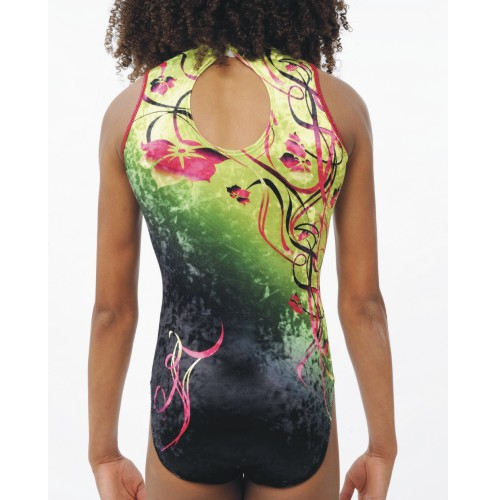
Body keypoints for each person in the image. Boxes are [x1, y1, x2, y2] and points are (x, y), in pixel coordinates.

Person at [88, 1, 397, 499]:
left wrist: (103, 452)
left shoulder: (133, 114)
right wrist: (382, 447)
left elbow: (112, 311)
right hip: (297, 400)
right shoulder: (336, 109)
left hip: (187, 401)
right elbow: (363, 304)